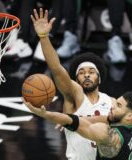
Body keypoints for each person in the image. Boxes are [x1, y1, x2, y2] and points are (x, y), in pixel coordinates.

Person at [31, 8, 113, 160]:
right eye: (81, 73)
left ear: (99, 78)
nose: (86, 74)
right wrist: (43, 37)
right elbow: (56, 69)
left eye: (91, 71)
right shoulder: (75, 96)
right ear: (76, 81)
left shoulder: (112, 102)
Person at [24, 91, 132, 160]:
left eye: (118, 106)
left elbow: (76, 123)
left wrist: (44, 114)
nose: (112, 106)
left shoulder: (111, 135)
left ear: (129, 116)